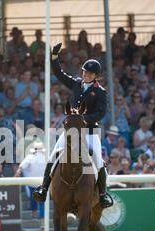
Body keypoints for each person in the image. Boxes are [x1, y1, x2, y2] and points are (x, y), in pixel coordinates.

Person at [32, 42, 112, 208]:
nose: (86, 75)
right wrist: (55, 57)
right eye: (84, 71)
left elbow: (100, 113)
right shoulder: (76, 83)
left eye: (89, 73)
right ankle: (44, 188)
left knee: (97, 159)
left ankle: (103, 195)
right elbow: (59, 74)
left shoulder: (100, 91)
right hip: (70, 131)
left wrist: (83, 119)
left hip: (90, 131)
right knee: (53, 155)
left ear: (95, 76)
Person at [15, 141, 46, 219]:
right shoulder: (46, 157)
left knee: (33, 198)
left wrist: (18, 172)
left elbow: (22, 166)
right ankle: (42, 216)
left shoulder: (30, 157)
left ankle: (35, 214)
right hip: (42, 181)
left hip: (32, 181)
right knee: (41, 200)